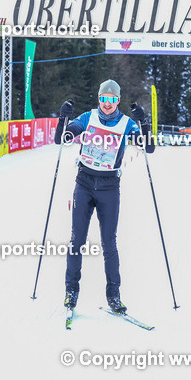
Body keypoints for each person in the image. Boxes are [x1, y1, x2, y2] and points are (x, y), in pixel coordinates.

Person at [55, 79, 154, 314]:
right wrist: (63, 120)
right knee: (76, 240)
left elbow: (148, 147)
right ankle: (71, 291)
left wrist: (144, 123)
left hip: (109, 187)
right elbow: (63, 139)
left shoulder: (127, 123)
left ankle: (114, 295)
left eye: (111, 99)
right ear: (99, 98)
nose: (107, 103)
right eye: (103, 98)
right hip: (85, 183)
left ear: (117, 100)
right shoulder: (87, 118)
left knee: (109, 243)